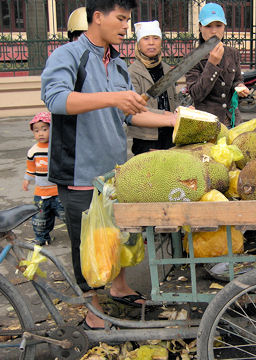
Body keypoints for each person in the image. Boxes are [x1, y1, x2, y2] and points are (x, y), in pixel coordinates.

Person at [41, 0, 176, 330]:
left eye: (128, 20)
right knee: (85, 242)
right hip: (77, 169)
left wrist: (174, 119)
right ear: (97, 17)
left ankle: (119, 287)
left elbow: (130, 111)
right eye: (120, 18)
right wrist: (113, 98)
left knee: (114, 235)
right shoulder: (69, 55)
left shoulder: (117, 65)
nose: (125, 26)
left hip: (112, 169)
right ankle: (93, 307)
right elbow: (56, 99)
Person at [185, 2, 249, 128]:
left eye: (218, 25)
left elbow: (237, 79)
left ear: (224, 27)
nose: (214, 31)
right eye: (208, 26)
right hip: (206, 125)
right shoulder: (192, 58)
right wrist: (212, 64)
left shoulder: (232, 53)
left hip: (231, 121)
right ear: (200, 27)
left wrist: (240, 86)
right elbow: (196, 95)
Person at [128, 20, 178, 155]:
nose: (151, 42)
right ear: (138, 44)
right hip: (146, 139)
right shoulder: (132, 72)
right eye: (146, 38)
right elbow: (135, 109)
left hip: (170, 135)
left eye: (155, 38)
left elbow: (173, 100)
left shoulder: (167, 70)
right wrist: (166, 115)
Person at [23, 112, 66, 245]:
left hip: (57, 191)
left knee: (66, 215)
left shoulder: (56, 147)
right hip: (41, 193)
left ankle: (78, 234)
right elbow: (31, 167)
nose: (40, 133)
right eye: (36, 131)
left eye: (44, 129)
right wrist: (27, 179)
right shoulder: (33, 151)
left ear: (52, 129)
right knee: (40, 218)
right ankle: (42, 238)